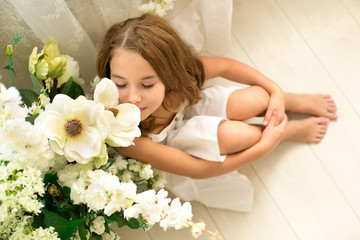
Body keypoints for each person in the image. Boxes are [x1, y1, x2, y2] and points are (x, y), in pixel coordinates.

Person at [96, 14, 337, 211]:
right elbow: (198, 169)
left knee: (257, 98)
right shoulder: (126, 137)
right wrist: (264, 147)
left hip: (190, 108)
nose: (133, 97)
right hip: (178, 143)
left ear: (168, 74)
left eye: (147, 84)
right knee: (242, 137)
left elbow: (226, 66)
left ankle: (287, 101)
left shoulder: (177, 76)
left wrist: (276, 91)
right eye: (119, 83)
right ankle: (281, 131)